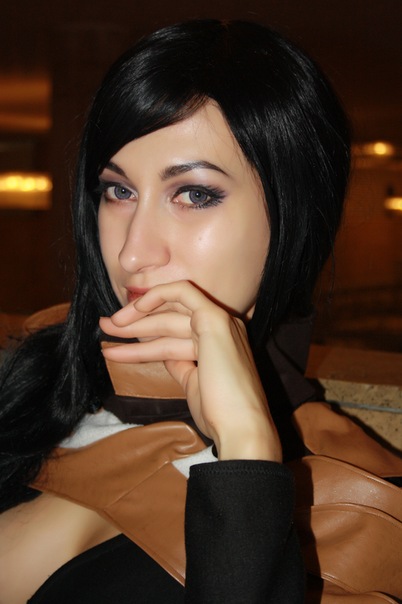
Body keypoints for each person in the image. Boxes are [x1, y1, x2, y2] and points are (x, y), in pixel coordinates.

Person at [0, 19, 400, 604]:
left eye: (193, 194)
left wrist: (246, 452)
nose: (133, 252)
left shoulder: (360, 504)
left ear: (295, 216)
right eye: (119, 191)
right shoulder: (40, 368)